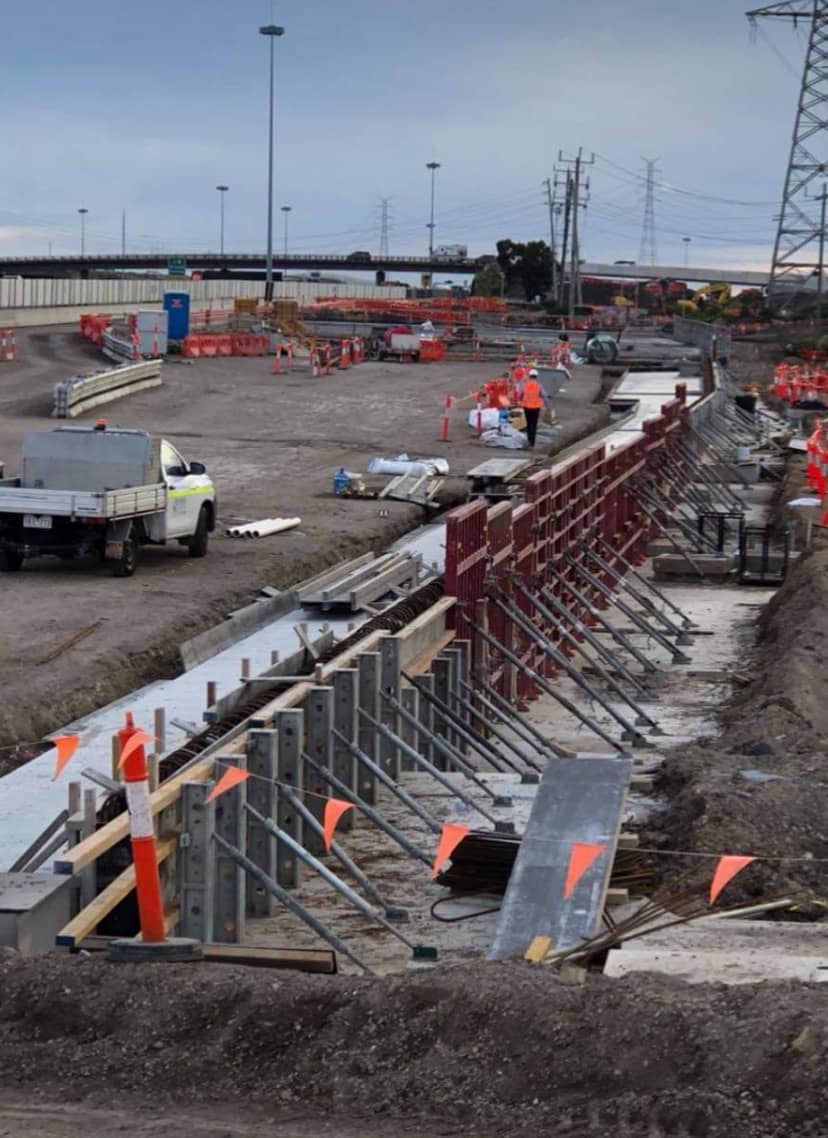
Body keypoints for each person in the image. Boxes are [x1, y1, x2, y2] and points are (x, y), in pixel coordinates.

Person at [518, 368, 548, 448]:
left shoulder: (525, 385)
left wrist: (520, 400)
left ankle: (529, 440)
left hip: (526, 406)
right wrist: (547, 405)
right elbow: (544, 396)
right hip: (535, 407)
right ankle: (532, 443)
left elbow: (520, 394)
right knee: (534, 424)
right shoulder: (539, 386)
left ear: (529, 376)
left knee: (528, 423)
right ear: (536, 376)